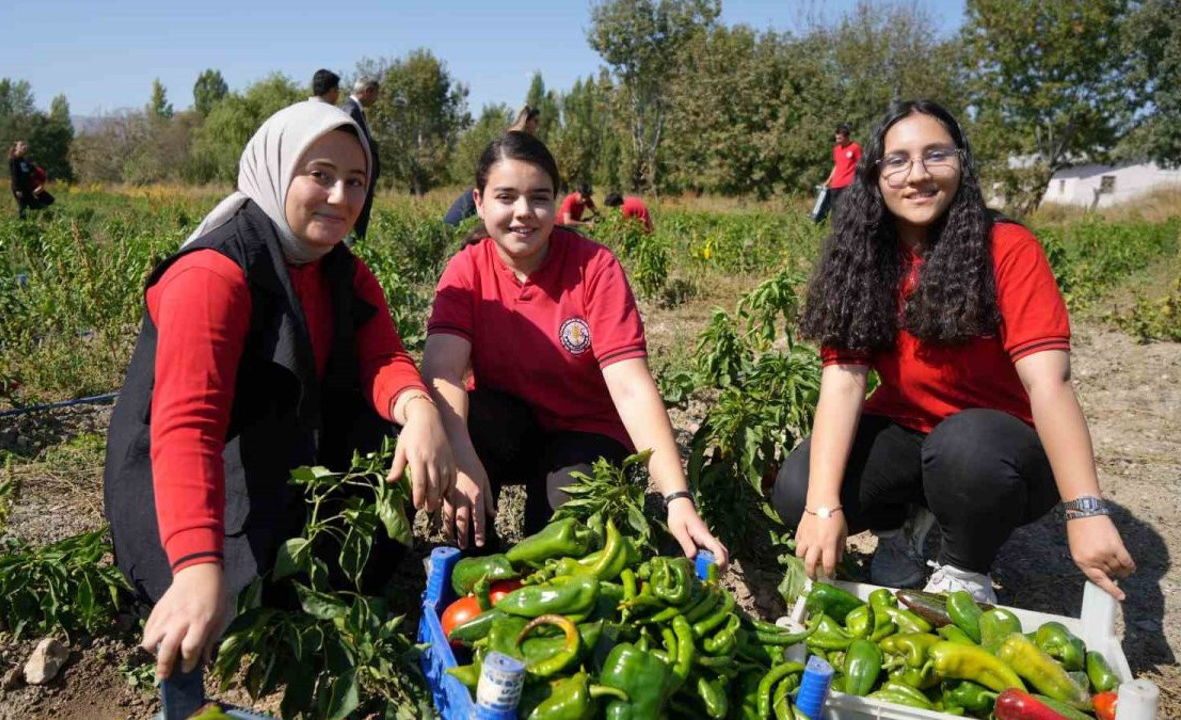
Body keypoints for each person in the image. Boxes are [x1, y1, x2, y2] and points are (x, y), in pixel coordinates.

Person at [103, 101, 455, 681]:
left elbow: (383, 356)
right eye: (319, 175)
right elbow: (188, 427)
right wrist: (194, 565)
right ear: (276, 168)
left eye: (356, 181)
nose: (340, 197)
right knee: (241, 598)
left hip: (284, 451)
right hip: (195, 472)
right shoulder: (213, 274)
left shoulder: (341, 269)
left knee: (367, 514)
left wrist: (419, 409)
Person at [772, 100, 1135, 604]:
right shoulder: (864, 258)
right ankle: (902, 532)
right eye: (897, 160)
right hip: (909, 432)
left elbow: (1048, 383)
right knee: (798, 488)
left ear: (961, 163)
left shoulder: (1006, 248)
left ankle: (965, 568)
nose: (916, 175)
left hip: (998, 446)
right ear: (875, 176)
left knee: (964, 449)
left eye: (935, 155)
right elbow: (845, 379)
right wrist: (822, 508)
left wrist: (1087, 511)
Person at [421, 131, 728, 571]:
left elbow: (630, 387)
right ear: (480, 201)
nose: (523, 213)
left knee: (560, 541)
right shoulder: (467, 269)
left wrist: (677, 497)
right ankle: (477, 560)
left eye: (539, 197)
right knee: (467, 424)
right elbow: (443, 372)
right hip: (512, 428)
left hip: (586, 431)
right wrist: (462, 461)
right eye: (506, 197)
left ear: (556, 201)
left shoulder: (594, 268)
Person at [344, 76, 381, 241]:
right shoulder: (351, 111)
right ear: (368, 91)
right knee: (354, 228)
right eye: (375, 95)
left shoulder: (358, 112)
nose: (375, 100)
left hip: (362, 181)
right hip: (357, 181)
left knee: (360, 228)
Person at [814, 123, 862, 224]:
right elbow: (836, 166)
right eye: (836, 138)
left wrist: (858, 181)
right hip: (835, 184)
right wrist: (828, 181)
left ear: (846, 137)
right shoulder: (836, 149)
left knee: (846, 209)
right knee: (835, 211)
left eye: (839, 138)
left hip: (848, 184)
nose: (837, 141)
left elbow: (861, 165)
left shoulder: (855, 148)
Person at [9, 140, 54, 219]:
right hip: (19, 189)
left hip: (27, 188)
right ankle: (22, 227)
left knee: (43, 204)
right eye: (22, 145)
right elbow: (14, 176)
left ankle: (42, 219)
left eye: (25, 145)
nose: (24, 146)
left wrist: (41, 183)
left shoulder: (24, 161)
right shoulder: (14, 160)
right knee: (22, 209)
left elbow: (35, 170)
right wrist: (17, 190)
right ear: (16, 148)